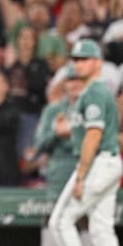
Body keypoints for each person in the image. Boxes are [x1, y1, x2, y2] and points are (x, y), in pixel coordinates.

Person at [48, 39, 122, 246]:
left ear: (97, 62)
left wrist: (81, 176)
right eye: (76, 60)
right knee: (101, 230)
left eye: (84, 59)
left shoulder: (94, 92)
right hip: (109, 163)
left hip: (98, 163)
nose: (78, 64)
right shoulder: (95, 91)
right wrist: (70, 126)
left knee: (61, 222)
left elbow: (94, 135)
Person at [34, 65, 92, 246]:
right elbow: (39, 145)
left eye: (80, 80)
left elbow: (103, 143)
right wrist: (55, 133)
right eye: (71, 80)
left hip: (87, 174)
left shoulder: (95, 109)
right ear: (65, 84)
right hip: (58, 175)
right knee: (54, 220)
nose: (75, 84)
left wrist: (74, 132)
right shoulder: (53, 110)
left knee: (87, 222)